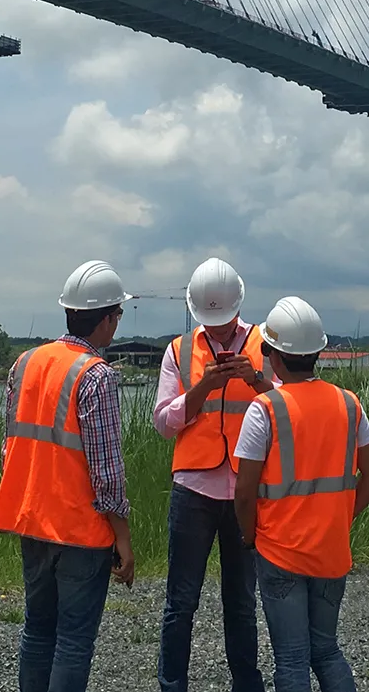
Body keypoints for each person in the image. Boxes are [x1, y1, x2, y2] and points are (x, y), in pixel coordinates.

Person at [0, 259, 137, 692]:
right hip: (79, 528)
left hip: (31, 520)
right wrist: (123, 540)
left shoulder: (25, 363)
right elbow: (107, 472)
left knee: (38, 630)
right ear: (108, 319)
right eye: (118, 316)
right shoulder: (97, 376)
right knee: (73, 640)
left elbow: (9, 446)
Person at [235, 297, 369, 692]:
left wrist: (248, 536)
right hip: (330, 552)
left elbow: (244, 491)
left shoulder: (264, 410)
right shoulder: (348, 404)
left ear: (274, 356)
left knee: (291, 660)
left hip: (279, 551)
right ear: (317, 353)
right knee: (326, 651)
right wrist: (344, 515)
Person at [153, 258, 270, 692]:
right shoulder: (178, 351)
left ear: (240, 305)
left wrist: (255, 379)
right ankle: (172, 685)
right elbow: (163, 423)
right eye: (211, 323)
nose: (220, 332)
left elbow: (288, 411)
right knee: (180, 602)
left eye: (226, 322)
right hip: (193, 491)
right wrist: (202, 387)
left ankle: (248, 684)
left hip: (245, 490)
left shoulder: (265, 343)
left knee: (241, 602)